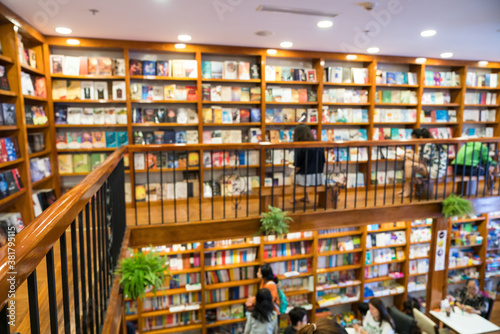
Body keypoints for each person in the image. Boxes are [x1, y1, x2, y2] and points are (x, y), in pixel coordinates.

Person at [398, 128, 447, 197]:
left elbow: (422, 161)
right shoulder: (428, 143)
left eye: (414, 139)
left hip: (436, 171)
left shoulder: (429, 144)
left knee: (408, 164)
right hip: (434, 168)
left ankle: (408, 189)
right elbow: (422, 159)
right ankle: (407, 188)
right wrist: (411, 154)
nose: (413, 141)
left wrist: (407, 155)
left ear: (420, 137)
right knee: (408, 163)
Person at [291, 124, 325, 203]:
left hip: (305, 179)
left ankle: (292, 198)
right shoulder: (318, 144)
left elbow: (297, 165)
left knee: (293, 175)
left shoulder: (300, 145)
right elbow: (323, 160)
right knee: (305, 171)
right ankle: (307, 197)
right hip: (319, 177)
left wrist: (296, 170)